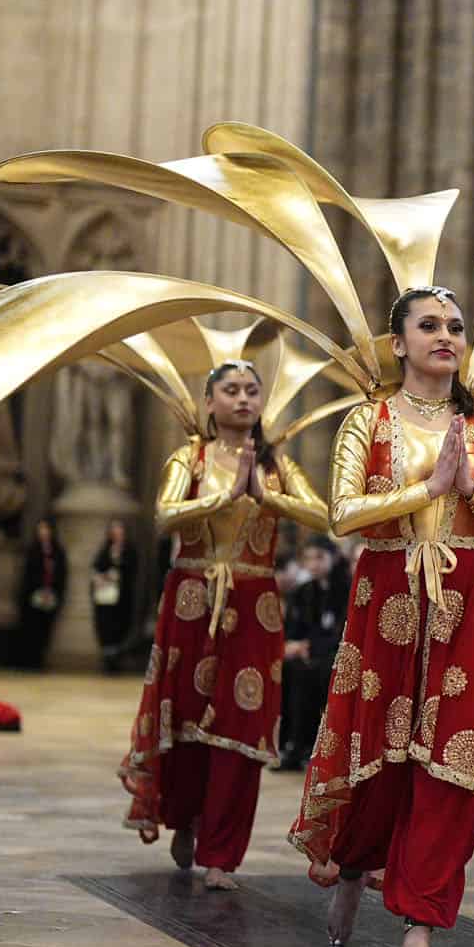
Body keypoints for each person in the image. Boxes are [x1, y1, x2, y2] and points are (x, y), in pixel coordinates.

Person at [290, 286, 474, 947]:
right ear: (398, 343)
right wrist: (426, 488)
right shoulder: (367, 420)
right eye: (429, 325)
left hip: (472, 599)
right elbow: (342, 512)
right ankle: (352, 863)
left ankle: (418, 931)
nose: (447, 335)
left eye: (457, 326)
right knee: (379, 750)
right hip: (388, 596)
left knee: (451, 763)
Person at [120, 360, 329, 889]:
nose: (242, 399)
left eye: (251, 390)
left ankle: (221, 855)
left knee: (241, 725)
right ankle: (185, 818)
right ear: (209, 403)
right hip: (192, 597)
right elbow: (165, 515)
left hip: (255, 603)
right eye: (230, 390)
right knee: (187, 717)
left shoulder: (278, 465)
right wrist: (224, 494)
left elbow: (323, 516)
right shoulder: (188, 458)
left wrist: (263, 494)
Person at [277, 536, 352, 771]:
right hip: (308, 655)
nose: (313, 564)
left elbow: (344, 631)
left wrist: (309, 646)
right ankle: (292, 743)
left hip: (333, 654)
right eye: (308, 558)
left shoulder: (347, 588)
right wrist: (292, 644)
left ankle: (315, 745)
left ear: (334, 557)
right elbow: (294, 627)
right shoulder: (304, 591)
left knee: (318, 671)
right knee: (290, 668)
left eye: (319, 557)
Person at [12, 518, 67, 669]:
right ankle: (28, 660)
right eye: (40, 529)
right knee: (32, 629)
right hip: (34, 595)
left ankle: (40, 660)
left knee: (45, 630)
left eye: (46, 529)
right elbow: (28, 574)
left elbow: (62, 574)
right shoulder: (33, 550)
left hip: (51, 595)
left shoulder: (58, 551)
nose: (43, 532)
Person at [91, 518, 139, 672]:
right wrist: (104, 576)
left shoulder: (129, 550)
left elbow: (133, 571)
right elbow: (97, 568)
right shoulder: (105, 550)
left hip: (123, 597)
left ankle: (117, 658)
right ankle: (108, 660)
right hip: (106, 597)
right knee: (106, 627)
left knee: (120, 627)